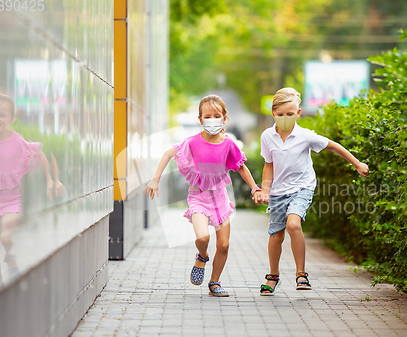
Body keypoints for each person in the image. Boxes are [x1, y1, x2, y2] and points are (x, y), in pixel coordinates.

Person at [145, 95, 263, 297]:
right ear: (200, 119)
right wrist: (155, 179)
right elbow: (167, 154)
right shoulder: (192, 142)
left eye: (217, 116)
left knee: (224, 245)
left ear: (224, 118)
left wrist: (255, 188)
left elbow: (241, 168)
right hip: (198, 197)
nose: (212, 120)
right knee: (203, 237)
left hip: (220, 198)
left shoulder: (229, 145)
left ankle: (214, 282)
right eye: (207, 116)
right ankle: (202, 256)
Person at [259, 88, 369, 295]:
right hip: (278, 191)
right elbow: (268, 164)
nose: (285, 118)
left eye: (290, 114)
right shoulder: (267, 136)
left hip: (302, 187)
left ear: (298, 113)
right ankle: (273, 276)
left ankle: (301, 274)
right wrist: (265, 190)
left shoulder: (305, 135)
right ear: (273, 113)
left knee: (293, 224)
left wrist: (356, 163)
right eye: (280, 114)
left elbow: (333, 146)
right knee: (276, 236)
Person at [0, 94, 58, 289]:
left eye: (2, 115)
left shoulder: (17, 142)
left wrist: (50, 180)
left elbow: (39, 153)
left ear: (12, 118)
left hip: (11, 199)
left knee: (5, 237)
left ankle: (10, 259)